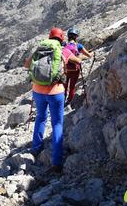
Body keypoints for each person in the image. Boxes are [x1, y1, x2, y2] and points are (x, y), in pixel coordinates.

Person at [24, 27, 82, 173]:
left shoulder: (40, 49)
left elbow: (26, 65)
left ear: (49, 37)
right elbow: (78, 61)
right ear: (62, 38)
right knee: (57, 123)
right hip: (55, 92)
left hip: (38, 90)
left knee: (40, 117)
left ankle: (36, 148)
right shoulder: (63, 50)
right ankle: (56, 162)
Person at [63, 27, 93, 105]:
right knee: (72, 86)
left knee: (65, 86)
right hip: (75, 69)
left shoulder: (65, 46)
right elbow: (89, 55)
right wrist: (91, 53)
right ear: (76, 36)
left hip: (66, 69)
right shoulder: (79, 46)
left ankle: (62, 100)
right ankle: (69, 101)